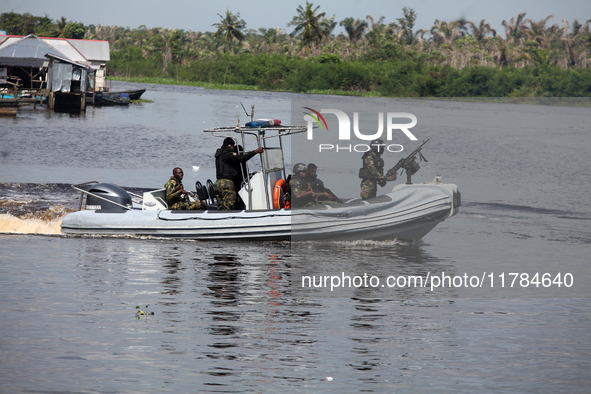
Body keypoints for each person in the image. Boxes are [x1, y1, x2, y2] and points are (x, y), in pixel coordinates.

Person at [214, 137, 264, 210]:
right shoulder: (226, 154)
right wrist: (255, 151)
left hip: (218, 183)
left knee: (221, 207)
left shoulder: (219, 154)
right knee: (229, 206)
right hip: (226, 183)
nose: (233, 148)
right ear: (229, 145)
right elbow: (241, 158)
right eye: (233, 146)